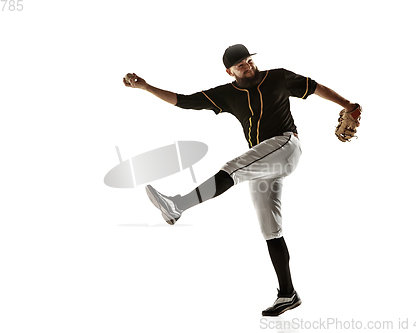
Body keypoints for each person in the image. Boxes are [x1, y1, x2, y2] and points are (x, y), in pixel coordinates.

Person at [123, 44, 359, 316]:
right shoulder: (226, 94)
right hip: (262, 163)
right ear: (229, 72)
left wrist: (347, 105)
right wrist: (146, 87)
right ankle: (287, 294)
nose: (247, 66)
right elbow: (184, 100)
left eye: (249, 60)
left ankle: (178, 205)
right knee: (271, 229)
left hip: (285, 145)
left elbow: (316, 87)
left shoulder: (278, 77)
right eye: (240, 65)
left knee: (233, 168)